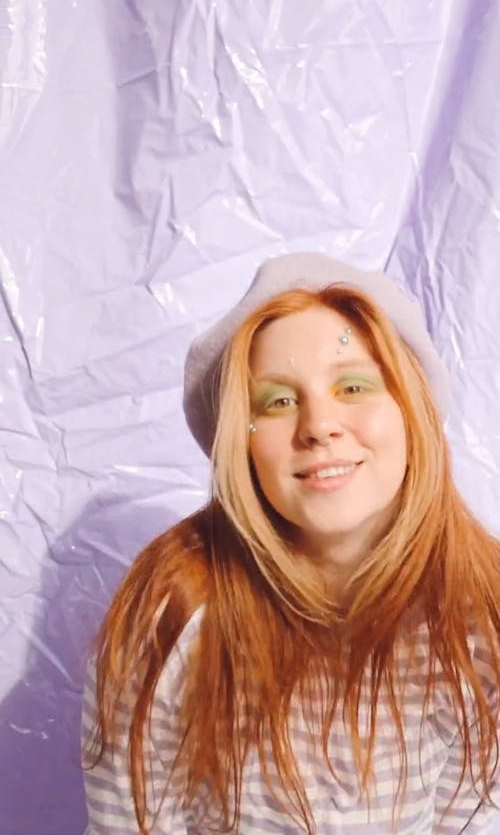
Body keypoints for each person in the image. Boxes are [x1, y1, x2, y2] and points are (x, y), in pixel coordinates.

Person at [81, 253, 500, 834]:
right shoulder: (177, 611)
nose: (319, 425)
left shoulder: (478, 613)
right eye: (277, 401)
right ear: (241, 443)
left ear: (413, 413)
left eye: (353, 386)